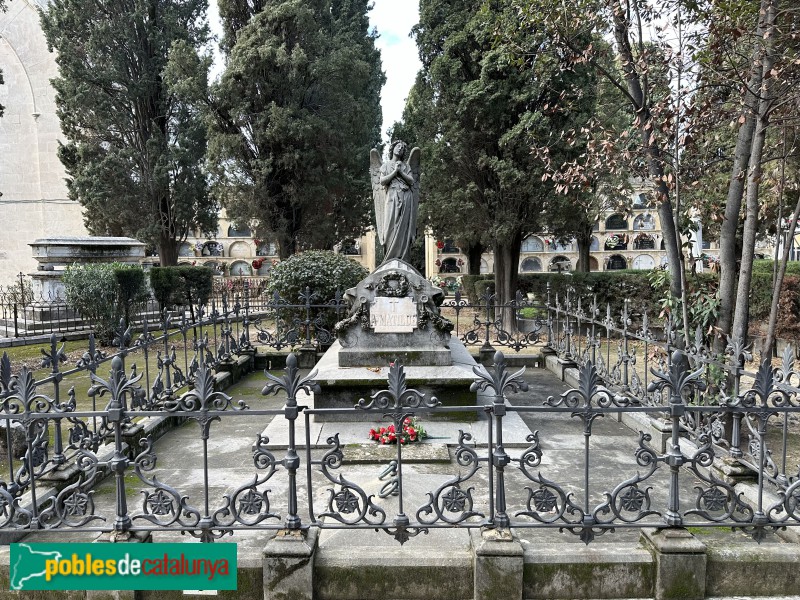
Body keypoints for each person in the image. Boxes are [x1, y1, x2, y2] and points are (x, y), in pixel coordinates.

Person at [370, 141, 420, 264]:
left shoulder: (406, 167)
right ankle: (389, 259)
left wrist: (401, 172)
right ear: (392, 148)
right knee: (389, 227)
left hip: (406, 196)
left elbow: (411, 181)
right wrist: (394, 172)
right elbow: (382, 181)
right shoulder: (385, 166)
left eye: (402, 148)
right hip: (391, 197)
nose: (400, 149)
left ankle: (403, 258)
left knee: (404, 227)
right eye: (398, 146)